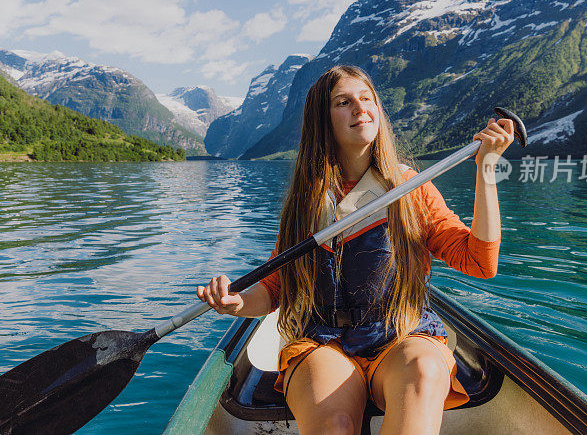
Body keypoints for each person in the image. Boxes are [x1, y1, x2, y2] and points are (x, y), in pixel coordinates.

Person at [197, 65, 514, 434]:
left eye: (367, 99)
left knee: (425, 373)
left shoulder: (413, 189)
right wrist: (236, 304)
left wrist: (487, 169)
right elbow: (274, 289)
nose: (360, 108)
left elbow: (480, 262)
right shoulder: (307, 200)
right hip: (323, 341)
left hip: (403, 335)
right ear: (323, 119)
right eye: (343, 102)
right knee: (336, 425)